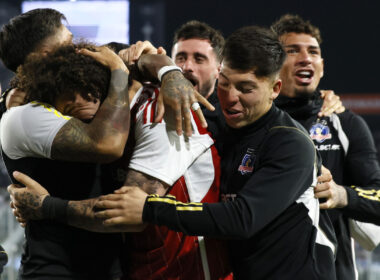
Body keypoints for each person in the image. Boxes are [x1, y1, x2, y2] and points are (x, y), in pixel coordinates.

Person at [75, 26, 336, 279]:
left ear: (275, 89)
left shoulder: (291, 143)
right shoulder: (217, 124)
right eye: (224, 84)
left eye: (245, 89)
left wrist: (148, 208)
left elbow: (241, 219)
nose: (231, 98)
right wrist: (163, 69)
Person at [270, 14, 380, 280]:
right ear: (271, 63)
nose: (305, 58)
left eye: (313, 52)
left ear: (322, 66)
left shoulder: (346, 123)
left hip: (333, 272)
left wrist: (342, 195)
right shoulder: (251, 123)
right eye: (292, 51)